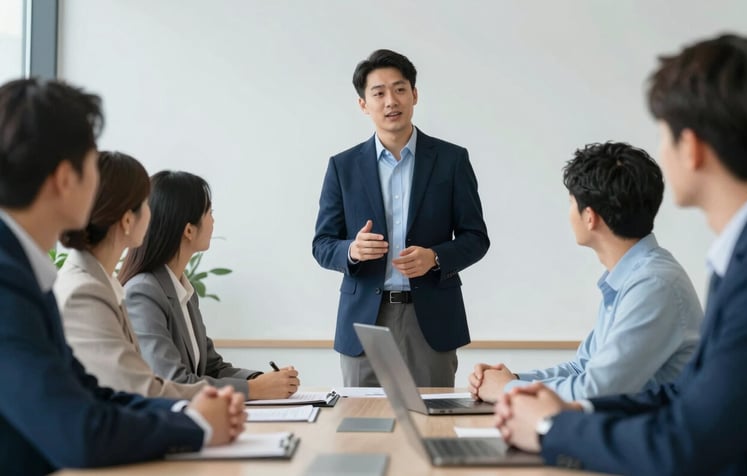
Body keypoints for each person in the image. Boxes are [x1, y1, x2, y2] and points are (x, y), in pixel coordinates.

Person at [494, 33, 747, 474]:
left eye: (664, 135)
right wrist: (569, 415)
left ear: (692, 147)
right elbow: (686, 396)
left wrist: (551, 428)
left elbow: (686, 441)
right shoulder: (741, 255)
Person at [0, 78, 245, 475]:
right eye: (92, 164)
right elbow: (77, 433)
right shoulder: (9, 280)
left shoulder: (25, 272)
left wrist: (190, 411)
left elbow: (90, 394)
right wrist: (196, 425)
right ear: (66, 178)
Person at [469, 142, 703, 402]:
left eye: (571, 203)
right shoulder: (631, 277)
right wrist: (512, 380)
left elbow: (596, 391)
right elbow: (582, 368)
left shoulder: (653, 284)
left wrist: (505, 391)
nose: (569, 213)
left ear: (590, 217)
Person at [313, 49, 490, 387]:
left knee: (431, 427)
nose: (390, 101)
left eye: (399, 89)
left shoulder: (451, 160)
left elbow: (476, 238)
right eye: (378, 93)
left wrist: (436, 257)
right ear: (364, 104)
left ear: (414, 95)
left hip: (431, 319)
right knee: (362, 429)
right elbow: (322, 244)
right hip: (364, 320)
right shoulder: (343, 167)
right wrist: (352, 250)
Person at [119, 171, 300, 400]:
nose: (213, 220)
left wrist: (261, 380)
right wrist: (255, 390)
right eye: (209, 213)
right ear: (188, 230)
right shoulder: (143, 292)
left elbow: (212, 368)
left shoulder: (183, 290)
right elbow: (172, 382)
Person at [55, 151, 208, 399]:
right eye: (146, 204)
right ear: (127, 220)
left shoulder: (103, 283)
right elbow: (140, 388)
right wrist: (229, 397)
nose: (153, 213)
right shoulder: (84, 291)